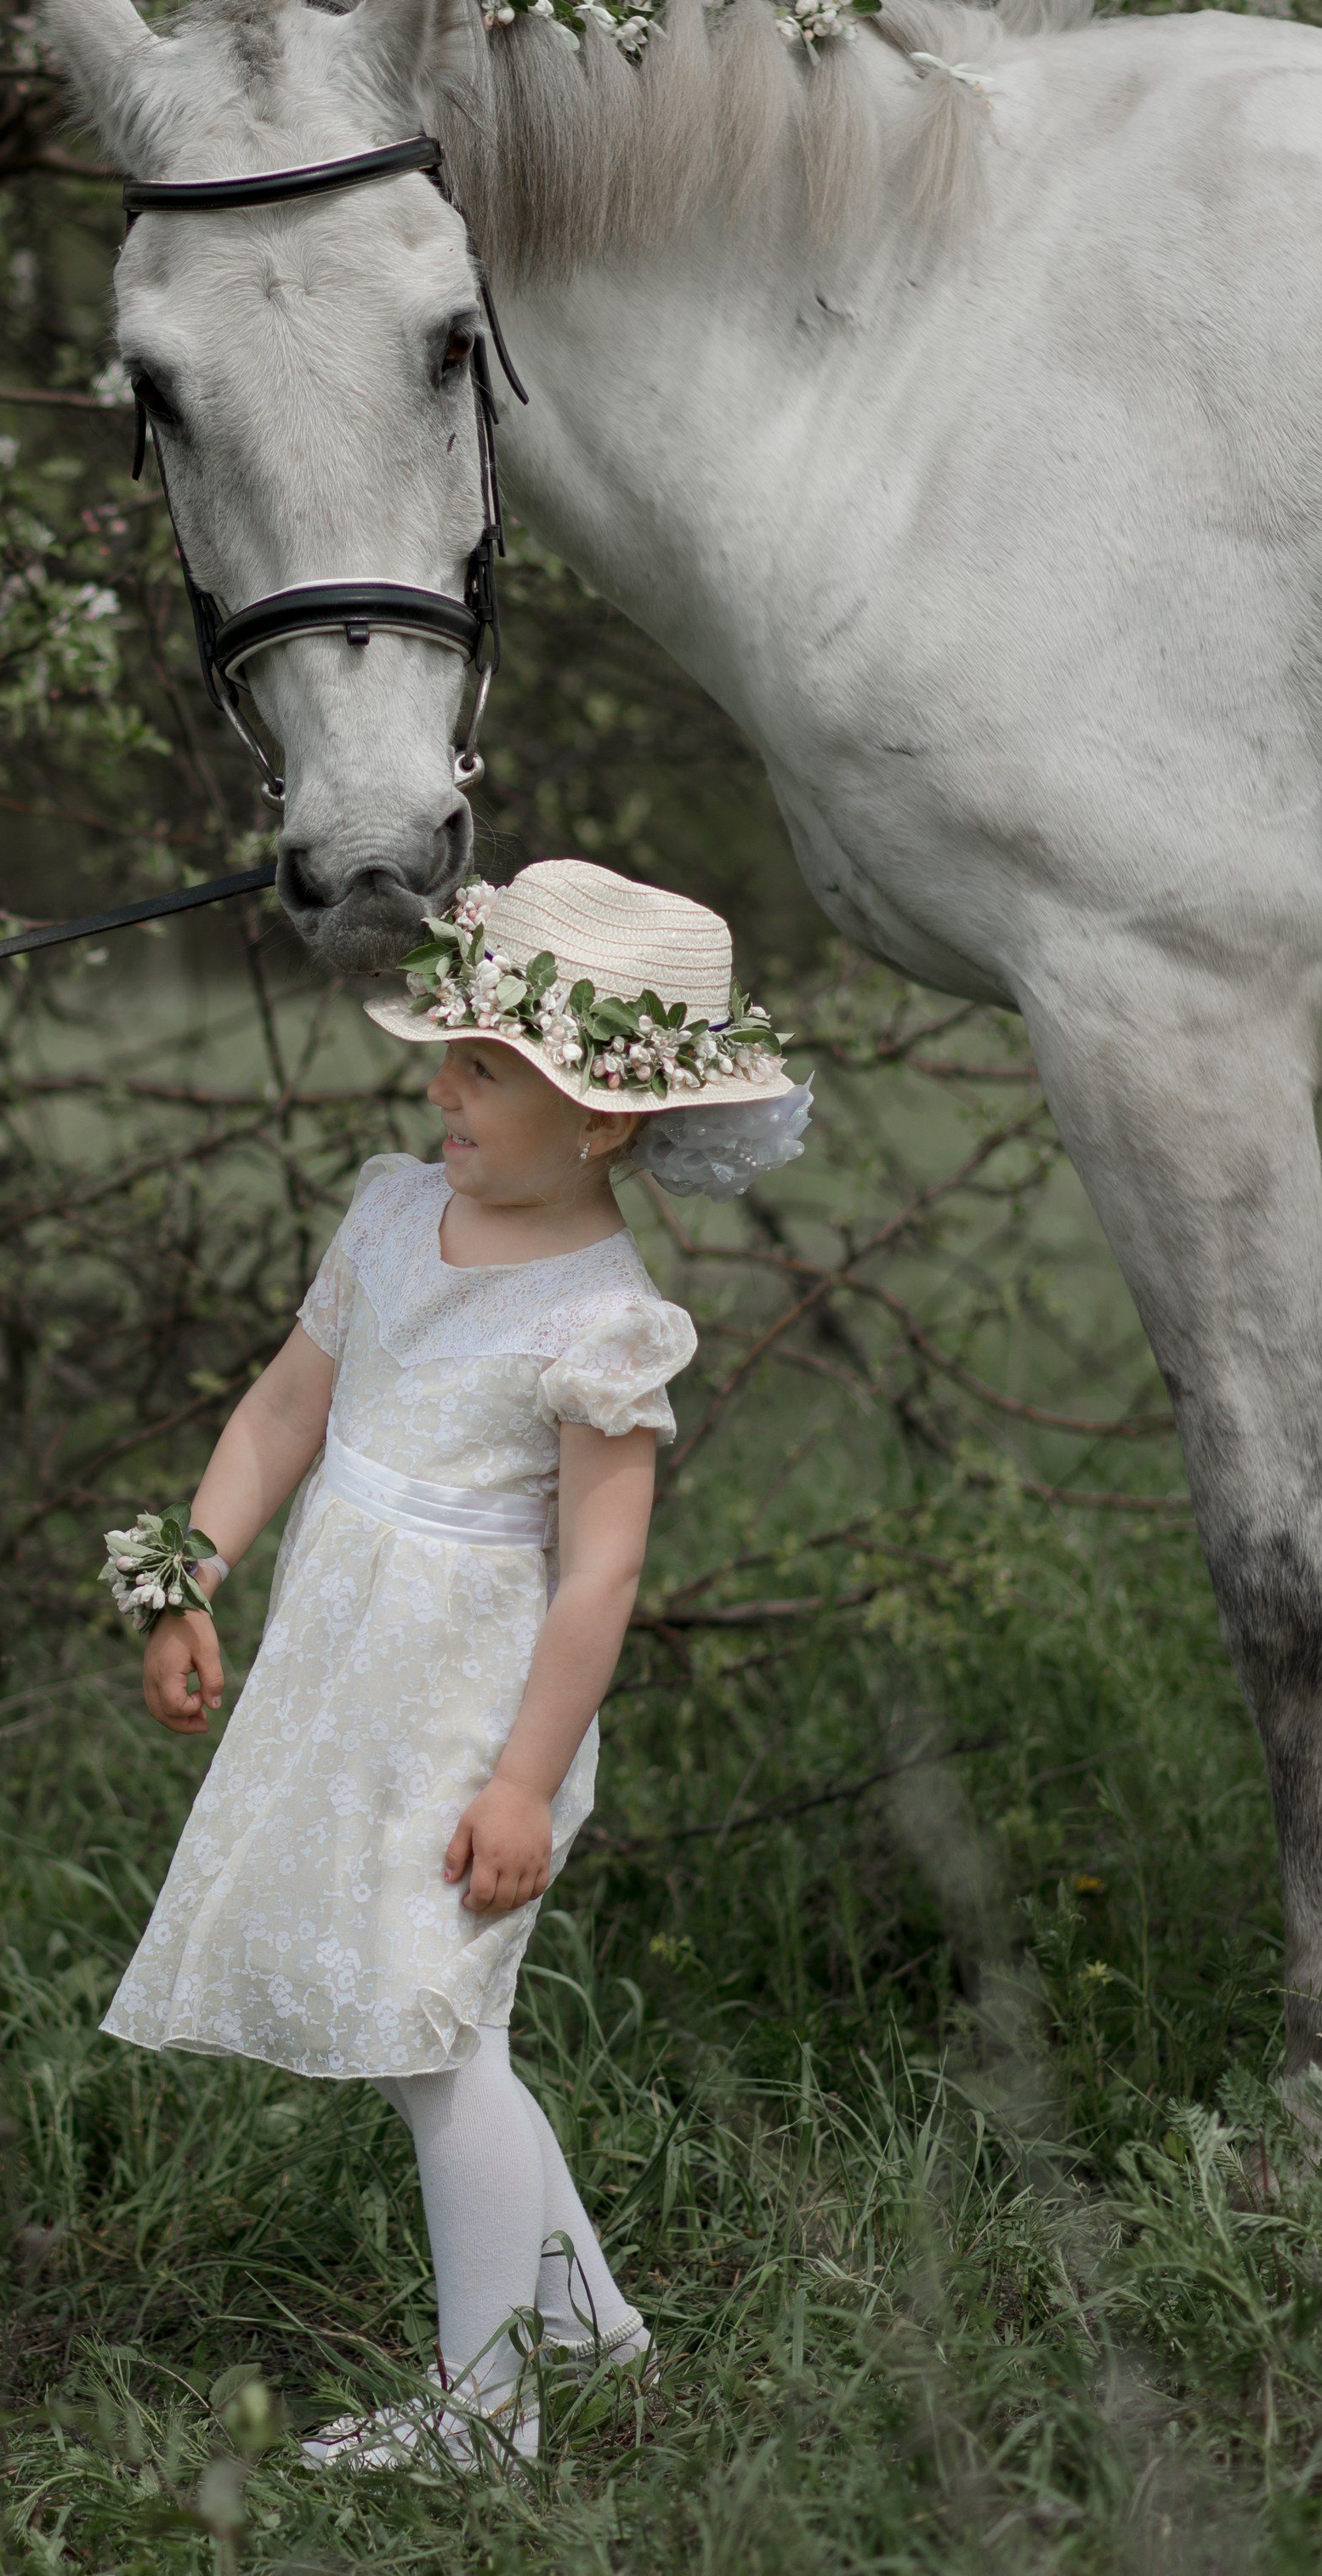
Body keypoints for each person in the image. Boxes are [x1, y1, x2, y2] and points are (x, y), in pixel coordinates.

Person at [99, 859, 810, 2471]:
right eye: (450, 1056)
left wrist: (523, 1785)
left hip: (474, 1716)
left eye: (484, 1068)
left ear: (602, 1120)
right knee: (432, 2031)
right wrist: (185, 1572)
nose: (441, 1090)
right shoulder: (388, 1214)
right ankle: (589, 2329)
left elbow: (599, 1575)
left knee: (433, 2035)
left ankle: (485, 2409)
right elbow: (282, 1409)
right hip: (339, 1685)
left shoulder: (600, 1320)